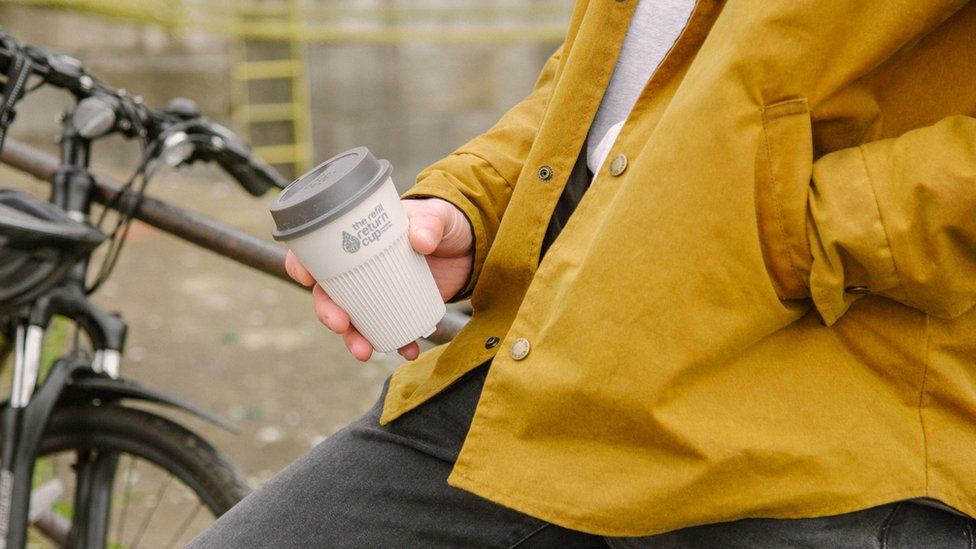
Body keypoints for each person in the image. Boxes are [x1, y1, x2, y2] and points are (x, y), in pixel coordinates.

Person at [192, 0, 976, 546]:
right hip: (558, 380)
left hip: (821, 429)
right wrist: (471, 207)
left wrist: (787, 230)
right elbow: (611, 87)